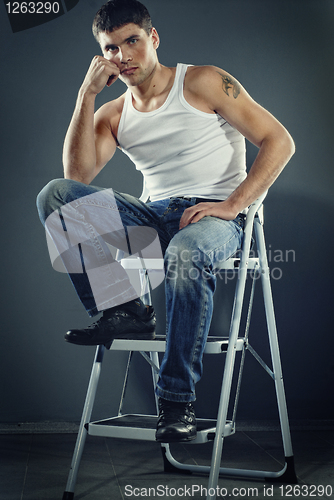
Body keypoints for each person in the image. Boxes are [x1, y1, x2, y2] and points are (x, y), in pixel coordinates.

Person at [37, 0, 295, 443]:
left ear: (153, 38)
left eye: (132, 41)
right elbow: (75, 180)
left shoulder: (203, 81)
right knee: (55, 196)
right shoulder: (115, 113)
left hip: (215, 217)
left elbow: (279, 140)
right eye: (111, 48)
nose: (124, 56)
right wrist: (87, 96)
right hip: (153, 217)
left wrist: (233, 205)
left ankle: (177, 403)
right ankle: (124, 309)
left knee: (186, 250)